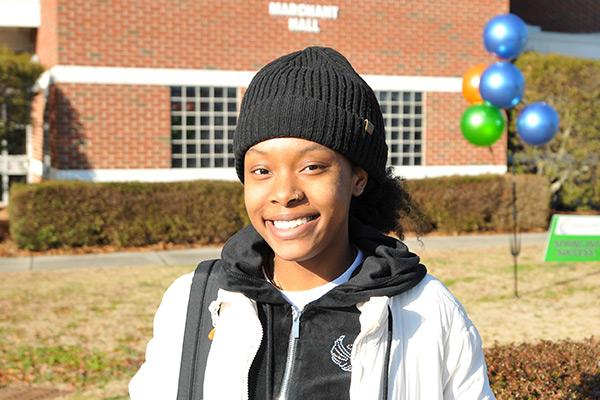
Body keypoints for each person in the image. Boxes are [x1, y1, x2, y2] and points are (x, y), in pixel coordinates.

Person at [129, 46, 496, 399]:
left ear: (358, 178)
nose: (284, 192)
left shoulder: (427, 311)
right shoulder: (194, 302)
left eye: (312, 167)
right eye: (261, 170)